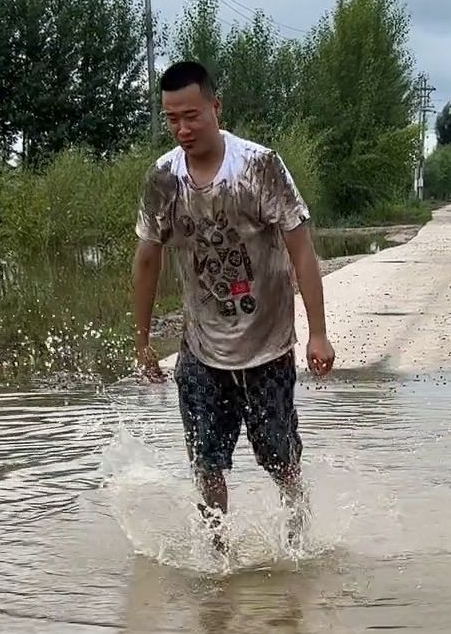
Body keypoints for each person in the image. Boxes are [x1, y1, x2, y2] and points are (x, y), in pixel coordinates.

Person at [132, 60, 335, 552]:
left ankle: (297, 541)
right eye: (172, 118)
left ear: (215, 107)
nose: (182, 129)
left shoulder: (260, 167)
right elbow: (146, 260)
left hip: (267, 346)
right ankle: (217, 561)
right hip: (201, 350)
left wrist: (318, 331)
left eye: (192, 116)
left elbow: (301, 250)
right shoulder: (163, 179)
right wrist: (141, 341)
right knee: (206, 461)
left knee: (280, 459)